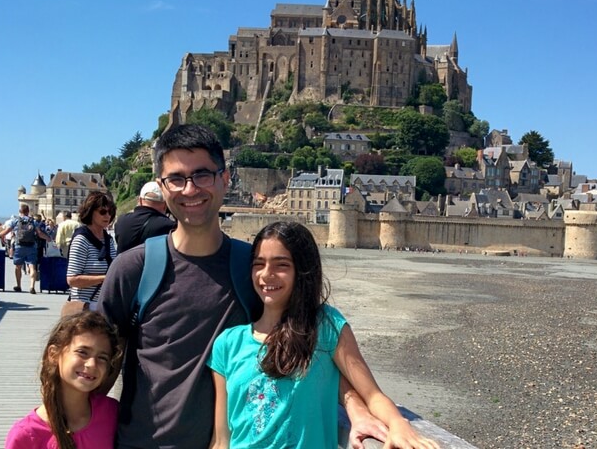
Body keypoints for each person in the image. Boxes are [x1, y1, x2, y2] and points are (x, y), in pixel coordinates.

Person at [99, 124, 385, 449]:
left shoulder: (253, 270)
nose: (190, 189)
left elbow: (312, 341)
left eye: (202, 175)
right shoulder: (133, 269)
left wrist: (355, 406)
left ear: (225, 179)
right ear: (163, 188)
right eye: (176, 179)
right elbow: (96, 361)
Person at [207, 222, 439, 449]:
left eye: (281, 265)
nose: (267, 274)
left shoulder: (325, 327)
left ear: (302, 271)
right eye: (259, 264)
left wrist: (398, 424)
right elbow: (221, 439)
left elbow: (373, 394)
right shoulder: (227, 344)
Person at [4, 311, 121, 449]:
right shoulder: (26, 434)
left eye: (102, 357)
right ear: (53, 354)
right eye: (82, 352)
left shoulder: (112, 413)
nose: (92, 364)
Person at [67, 193, 117, 311]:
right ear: (90, 212)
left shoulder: (108, 239)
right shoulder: (81, 240)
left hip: (104, 305)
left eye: (110, 212)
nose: (107, 216)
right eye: (102, 212)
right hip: (83, 306)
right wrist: (104, 278)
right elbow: (72, 279)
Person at [0, 204, 52, 294]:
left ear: (20, 211)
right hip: (31, 246)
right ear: (28, 211)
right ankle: (32, 286)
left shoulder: (15, 220)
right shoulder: (33, 221)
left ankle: (18, 285)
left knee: (18, 266)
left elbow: (7, 230)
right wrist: (48, 238)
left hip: (19, 246)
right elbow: (39, 233)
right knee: (32, 266)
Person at [113, 181, 175, 254]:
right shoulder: (169, 226)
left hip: (122, 264)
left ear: (140, 200)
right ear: (165, 205)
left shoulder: (121, 221)